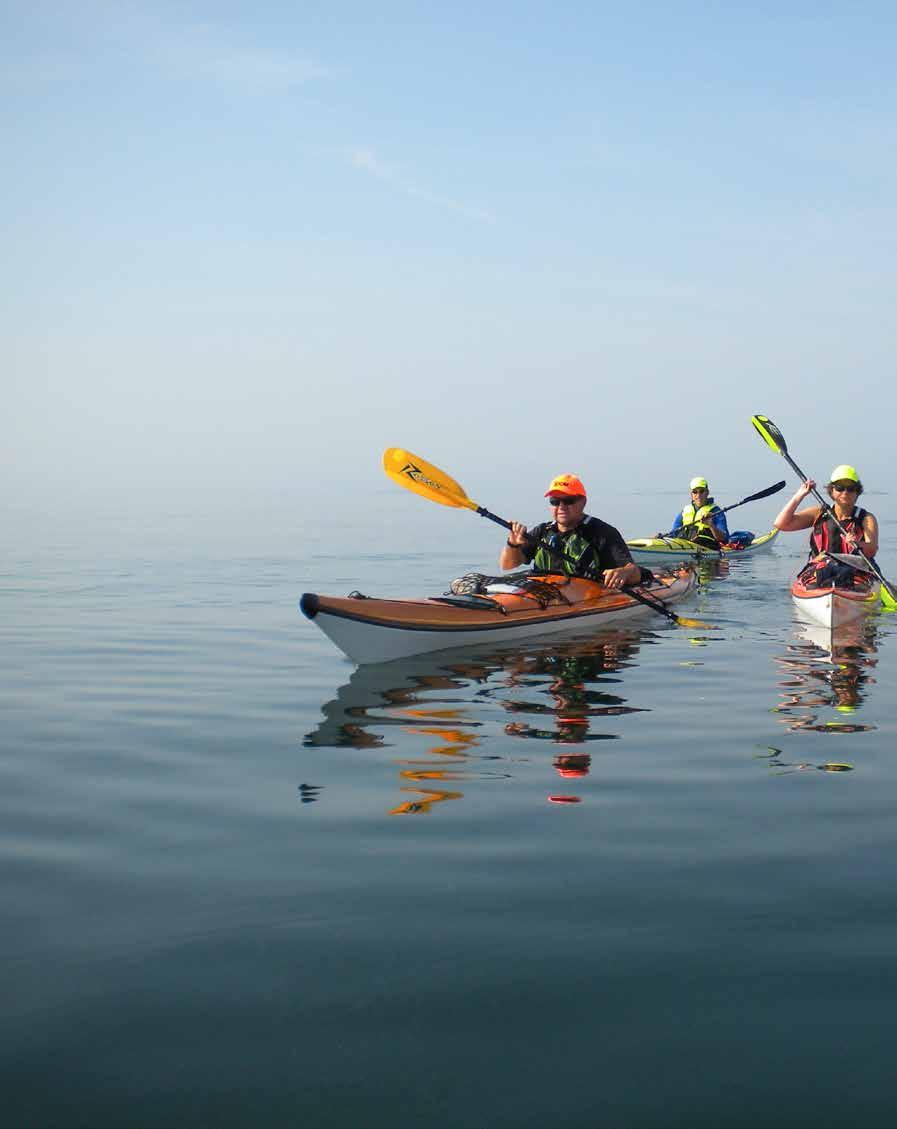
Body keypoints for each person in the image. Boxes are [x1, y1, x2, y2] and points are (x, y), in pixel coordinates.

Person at [500, 473, 642, 589]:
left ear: (583, 502)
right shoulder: (542, 531)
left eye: (568, 500)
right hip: (545, 593)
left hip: (588, 596)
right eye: (555, 501)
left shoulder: (602, 532)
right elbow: (508, 565)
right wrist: (513, 544)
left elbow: (634, 572)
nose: (561, 506)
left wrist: (623, 572)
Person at [773, 464, 878, 588]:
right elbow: (781, 524)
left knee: (850, 578)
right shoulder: (818, 513)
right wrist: (800, 495)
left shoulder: (866, 518)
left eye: (851, 488)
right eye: (840, 488)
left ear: (857, 492)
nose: (845, 492)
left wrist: (857, 543)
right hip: (821, 567)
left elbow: (871, 550)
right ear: (831, 491)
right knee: (822, 574)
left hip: (855, 570)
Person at [664, 477, 729, 548]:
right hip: (686, 545)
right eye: (695, 492)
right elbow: (673, 533)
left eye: (701, 491)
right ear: (691, 495)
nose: (698, 495)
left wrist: (711, 525)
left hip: (707, 547)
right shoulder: (685, 510)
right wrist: (660, 537)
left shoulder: (717, 512)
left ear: (707, 492)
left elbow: (724, 539)